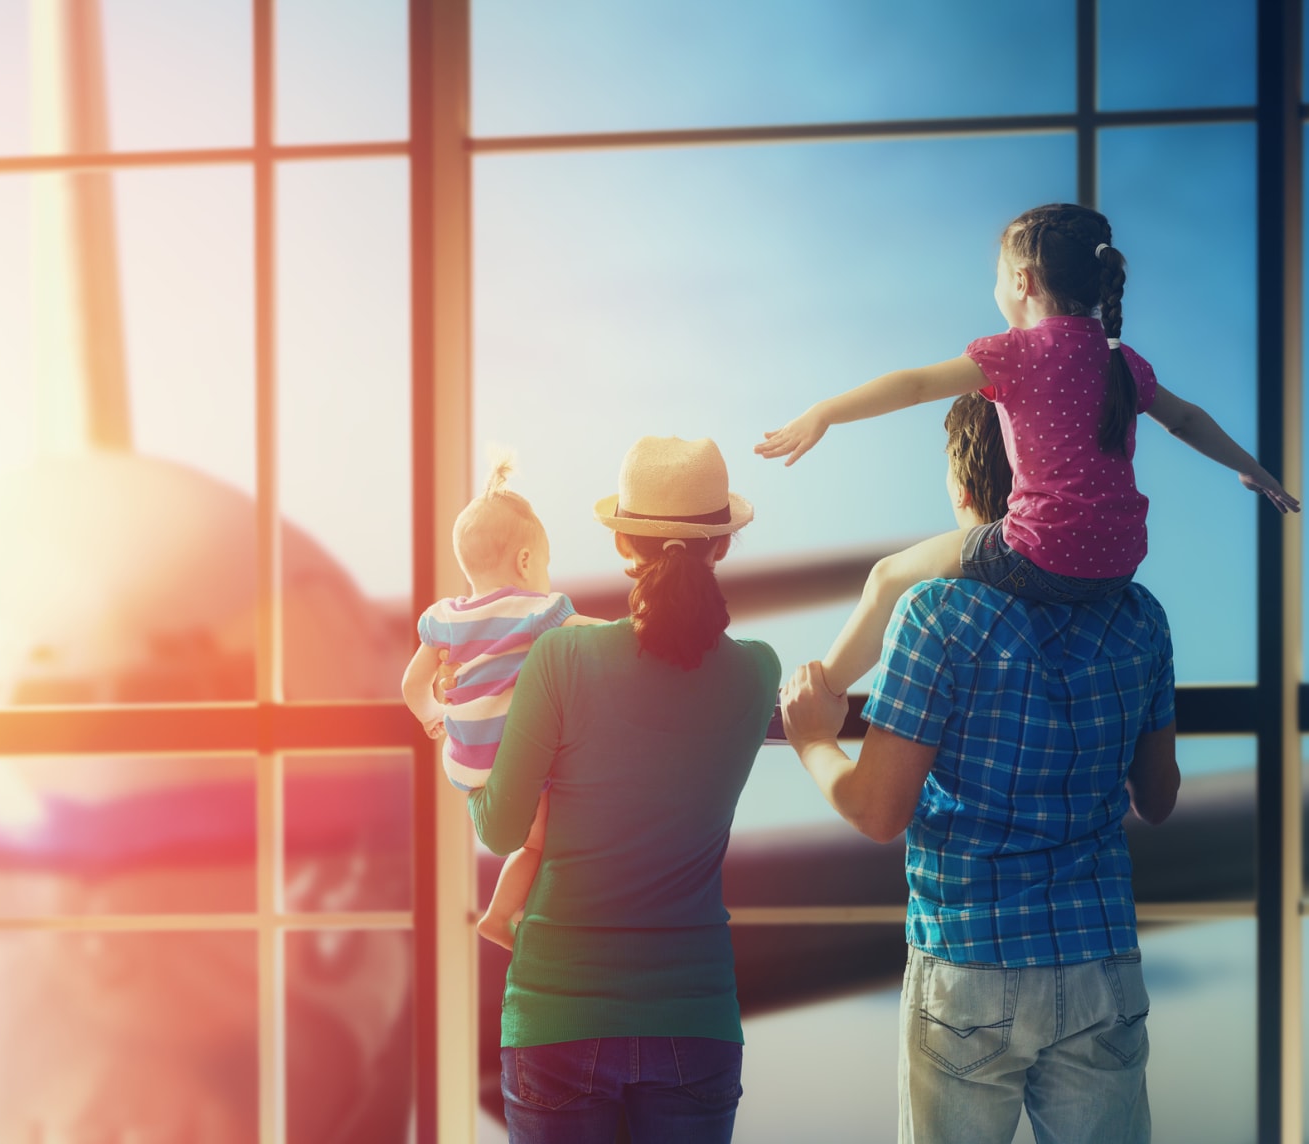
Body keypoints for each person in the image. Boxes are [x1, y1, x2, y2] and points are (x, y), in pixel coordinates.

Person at [779, 392, 1182, 1144]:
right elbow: (1157, 797)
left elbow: (877, 810)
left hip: (970, 962)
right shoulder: (1140, 616)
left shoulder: (934, 614)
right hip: (1100, 956)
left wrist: (810, 740)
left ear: (964, 492)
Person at [755, 201, 1298, 696]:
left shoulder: (1013, 352)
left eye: (996, 277)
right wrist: (1252, 471)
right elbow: (1186, 420)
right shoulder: (1123, 361)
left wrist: (824, 411)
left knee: (889, 577)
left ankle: (817, 693)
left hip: (1041, 553)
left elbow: (915, 385)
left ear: (1022, 281)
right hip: (1118, 563)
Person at [467, 436, 779, 1143]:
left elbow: (500, 830)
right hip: (693, 1021)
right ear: (721, 546)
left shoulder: (562, 657)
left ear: (621, 542)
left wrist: (465, 739)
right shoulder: (759, 671)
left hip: (557, 1019)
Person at [401, 453, 604, 949]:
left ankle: (509, 912)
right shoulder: (534, 611)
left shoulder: (447, 616)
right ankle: (499, 916)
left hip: (466, 758)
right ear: (526, 561)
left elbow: (412, 683)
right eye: (547, 563)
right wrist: (637, 630)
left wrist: (432, 714)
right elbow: (594, 634)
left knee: (531, 831)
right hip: (508, 758)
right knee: (540, 841)